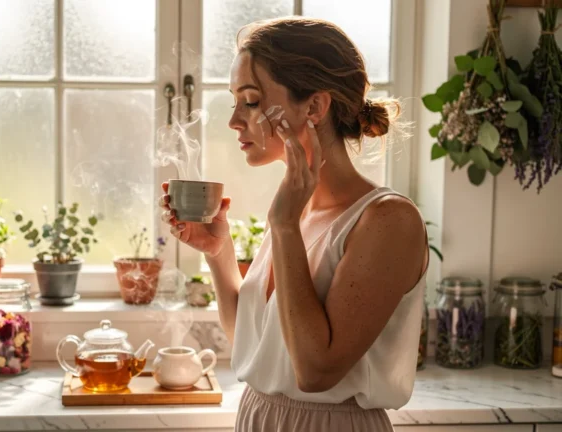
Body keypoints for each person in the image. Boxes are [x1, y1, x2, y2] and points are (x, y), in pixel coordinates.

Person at [159, 17, 428, 431]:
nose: (234, 121)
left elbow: (315, 371)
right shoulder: (296, 211)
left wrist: (283, 226)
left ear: (315, 107)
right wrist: (220, 252)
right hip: (259, 417)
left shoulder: (388, 220)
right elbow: (257, 346)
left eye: (250, 101)